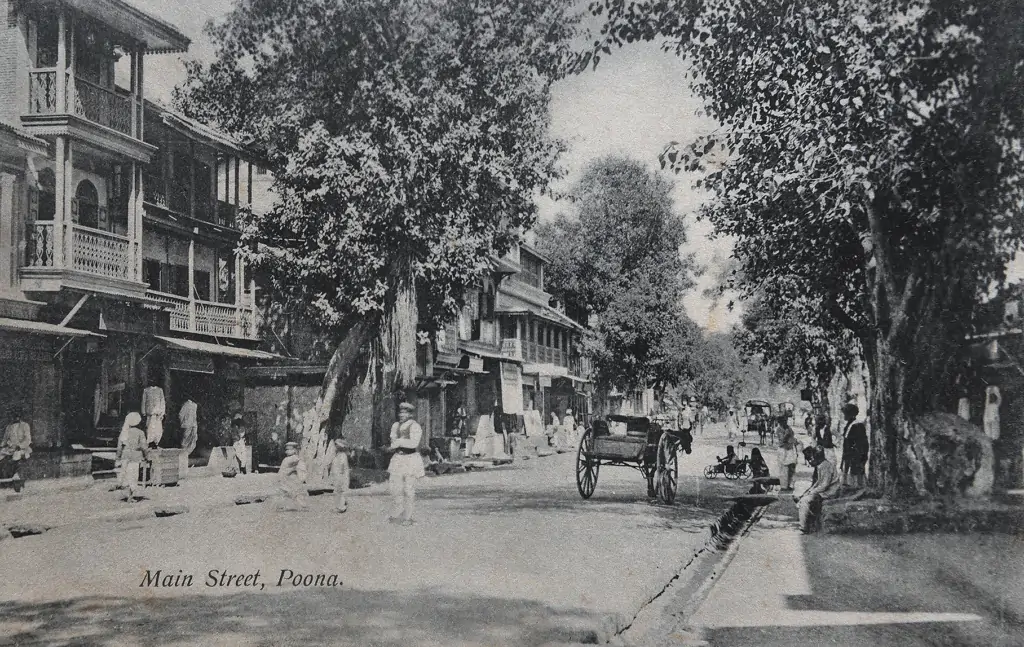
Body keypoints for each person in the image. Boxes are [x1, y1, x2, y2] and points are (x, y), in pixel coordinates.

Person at [388, 401, 425, 525]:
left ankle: (408, 517)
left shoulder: (414, 426)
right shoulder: (396, 426)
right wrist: (398, 442)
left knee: (409, 489)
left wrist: (399, 442)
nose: (401, 415)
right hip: (398, 459)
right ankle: (397, 513)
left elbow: (414, 443)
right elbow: (393, 442)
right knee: (396, 488)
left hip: (410, 459)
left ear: (410, 414)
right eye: (400, 412)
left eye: (405, 413)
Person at [794, 447, 841, 533]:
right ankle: (808, 522)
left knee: (805, 500)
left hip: (829, 492)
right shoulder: (821, 465)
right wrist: (809, 491)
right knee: (800, 497)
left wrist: (811, 492)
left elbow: (824, 485)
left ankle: (803, 527)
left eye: (811, 459)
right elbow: (818, 482)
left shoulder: (826, 466)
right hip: (823, 491)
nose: (810, 462)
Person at [115, 412, 149, 501]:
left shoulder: (124, 432)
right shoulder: (140, 432)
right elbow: (144, 447)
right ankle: (130, 496)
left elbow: (119, 447)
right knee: (133, 476)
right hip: (135, 456)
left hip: (125, 455)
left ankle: (127, 495)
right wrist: (146, 457)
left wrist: (117, 458)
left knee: (126, 475)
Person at [840, 403, 869, 490]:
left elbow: (861, 443)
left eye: (845, 414)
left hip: (855, 455)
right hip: (848, 454)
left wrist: (858, 456)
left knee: (856, 475)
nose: (844, 416)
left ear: (850, 415)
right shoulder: (849, 425)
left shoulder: (857, 425)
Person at [0, 407, 32, 480]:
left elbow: (28, 439)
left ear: (20, 416)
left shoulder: (25, 425)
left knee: (17, 455)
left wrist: (20, 446)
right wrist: (1, 445)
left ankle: (16, 474)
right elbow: (5, 439)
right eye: (14, 416)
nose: (15, 417)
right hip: (10, 448)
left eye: (17, 416)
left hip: (22, 448)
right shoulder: (9, 427)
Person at [278, 441, 308, 510]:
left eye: (289, 449)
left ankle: (299, 504)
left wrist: (294, 469)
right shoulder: (286, 459)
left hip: (293, 478)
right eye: (286, 449)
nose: (287, 451)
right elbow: (282, 469)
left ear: (294, 450)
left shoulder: (296, 458)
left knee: (296, 491)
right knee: (285, 492)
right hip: (286, 478)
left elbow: (299, 468)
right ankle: (285, 505)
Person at [776, 416, 801, 491]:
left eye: (786, 420)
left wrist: (795, 444)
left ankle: (791, 484)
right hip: (783, 450)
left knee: (792, 467)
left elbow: (792, 438)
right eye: (783, 421)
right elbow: (782, 440)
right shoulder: (779, 429)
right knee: (783, 468)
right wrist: (787, 434)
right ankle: (784, 486)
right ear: (780, 422)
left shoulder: (789, 428)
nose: (785, 422)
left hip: (791, 449)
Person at [178, 398, 198, 475]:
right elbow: (181, 415)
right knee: (185, 443)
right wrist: (183, 423)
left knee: (191, 442)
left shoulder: (194, 405)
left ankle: (184, 460)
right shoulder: (186, 405)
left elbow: (181, 415)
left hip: (192, 425)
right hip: (188, 425)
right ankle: (183, 462)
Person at [330, 438, 350, 514]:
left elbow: (343, 468)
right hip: (337, 476)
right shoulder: (337, 455)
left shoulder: (342, 456)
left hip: (341, 476)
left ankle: (341, 507)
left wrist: (343, 478)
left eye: (337, 445)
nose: (335, 446)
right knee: (337, 491)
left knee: (340, 491)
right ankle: (338, 506)